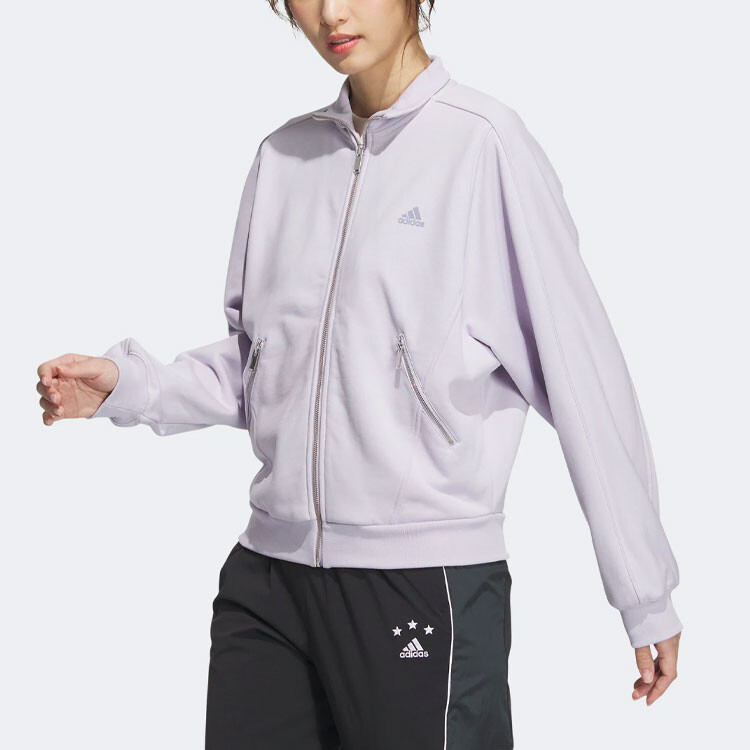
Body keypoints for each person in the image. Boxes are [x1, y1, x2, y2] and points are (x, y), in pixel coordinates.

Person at [35, 1, 683, 747]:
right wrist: (132, 387)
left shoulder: (483, 145)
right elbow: (265, 365)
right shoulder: (285, 157)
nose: (330, 13)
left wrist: (644, 593)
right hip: (268, 583)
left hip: (421, 580)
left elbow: (582, 374)